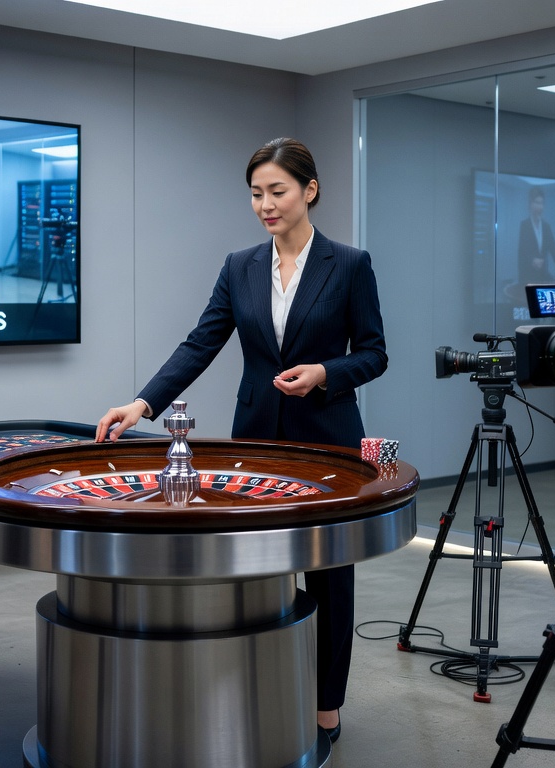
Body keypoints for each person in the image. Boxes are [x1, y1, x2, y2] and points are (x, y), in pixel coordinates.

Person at [95, 137, 388, 745]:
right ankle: (255, 690)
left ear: (310, 190)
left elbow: (376, 353)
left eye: (277, 191)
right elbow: (201, 342)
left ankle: (325, 706)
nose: (265, 204)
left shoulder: (351, 263)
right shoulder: (240, 265)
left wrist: (325, 374)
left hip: (328, 442)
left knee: (330, 578)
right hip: (255, 439)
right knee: (254, 573)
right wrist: (142, 402)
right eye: (256, 193)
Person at [517, 186, 555, 284]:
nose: (541, 207)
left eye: (542, 203)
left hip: (542, 276)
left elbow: (554, 250)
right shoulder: (524, 225)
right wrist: (532, 260)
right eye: (537, 203)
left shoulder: (546, 227)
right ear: (530, 204)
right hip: (527, 278)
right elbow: (522, 251)